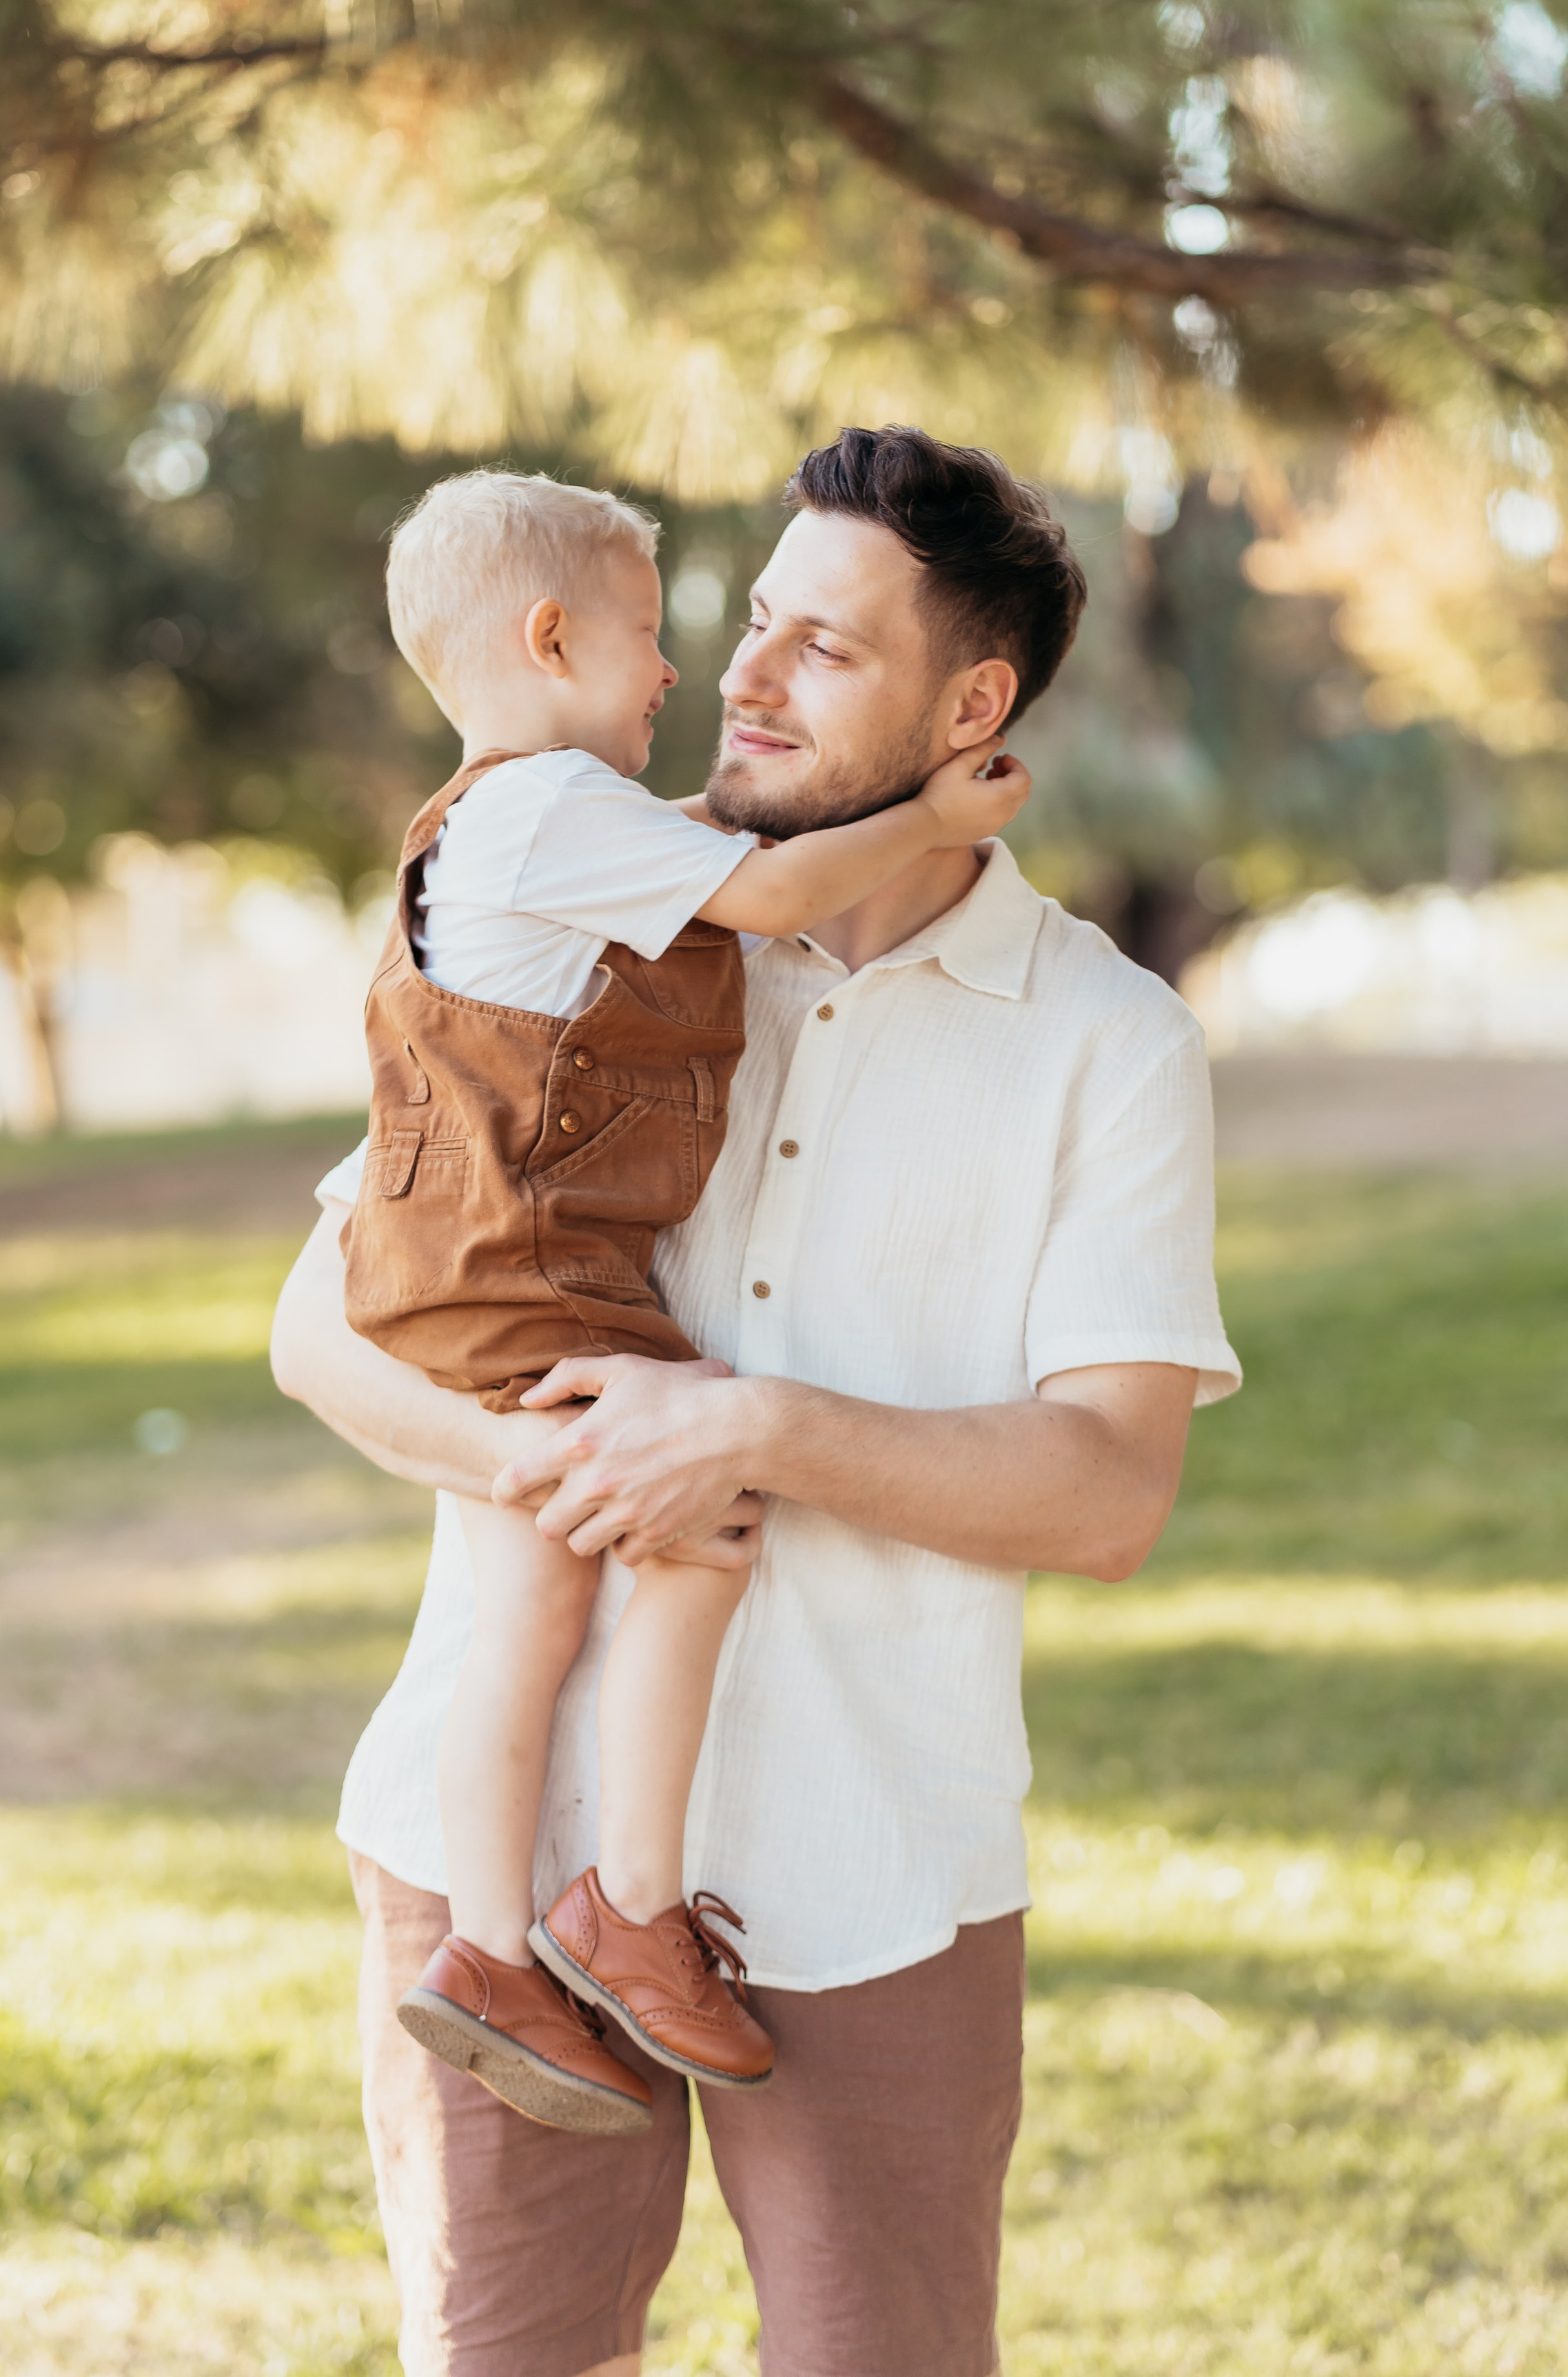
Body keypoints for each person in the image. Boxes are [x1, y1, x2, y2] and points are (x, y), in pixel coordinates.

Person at [272, 425, 1241, 2377]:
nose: (744, 674)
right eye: (754, 621)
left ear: (970, 712)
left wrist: (750, 1431)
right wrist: (558, 1461)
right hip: (492, 1869)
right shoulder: (578, 902)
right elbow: (321, 1328)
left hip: (875, 1867)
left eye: (826, 645)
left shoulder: (1110, 1044)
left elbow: (1109, 1492)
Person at [345, 469, 1030, 2136]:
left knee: (530, 1608)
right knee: (701, 1528)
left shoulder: (514, 824)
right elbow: (772, 892)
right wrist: (936, 818)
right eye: (649, 631)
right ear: (548, 637)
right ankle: (622, 1911)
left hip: (465, 1267)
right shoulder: (545, 809)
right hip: (527, 1268)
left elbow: (709, 856)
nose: (679, 670)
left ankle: (497, 1947)